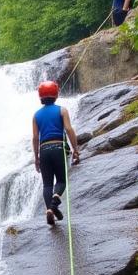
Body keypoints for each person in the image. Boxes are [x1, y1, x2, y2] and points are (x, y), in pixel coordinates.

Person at [32, 80, 79, 226]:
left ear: (40, 97)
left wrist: (36, 157)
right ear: (56, 95)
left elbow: (35, 138)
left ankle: (50, 210)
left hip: (44, 150)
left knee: (47, 184)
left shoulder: (36, 115)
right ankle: (53, 207)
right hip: (58, 148)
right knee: (61, 181)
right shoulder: (62, 110)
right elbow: (69, 129)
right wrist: (75, 149)